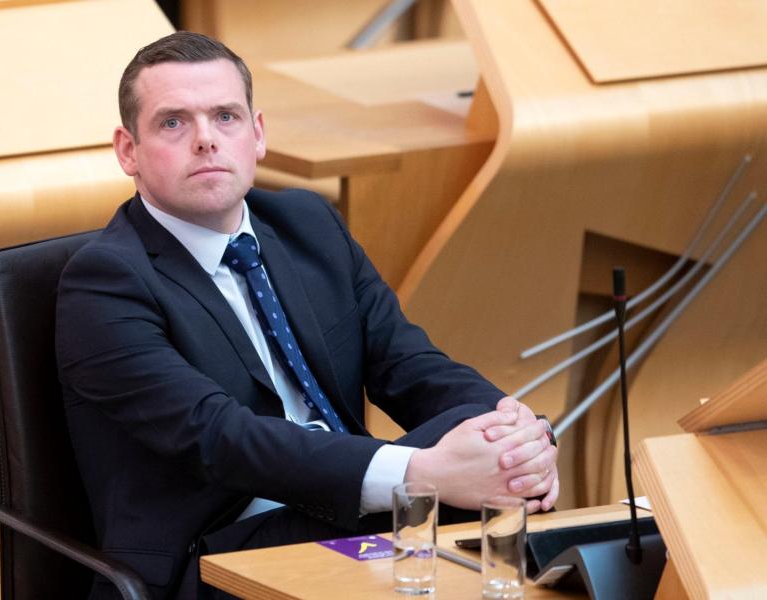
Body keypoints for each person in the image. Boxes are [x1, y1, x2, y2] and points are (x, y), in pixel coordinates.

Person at [55, 31, 558, 599]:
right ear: (128, 151)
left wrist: (525, 434)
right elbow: (221, 438)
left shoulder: (306, 225)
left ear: (258, 133)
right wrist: (422, 476)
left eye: (226, 117)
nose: (205, 140)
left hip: (342, 507)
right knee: (466, 476)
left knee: (482, 441)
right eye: (173, 123)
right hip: (217, 550)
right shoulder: (104, 282)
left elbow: (410, 363)